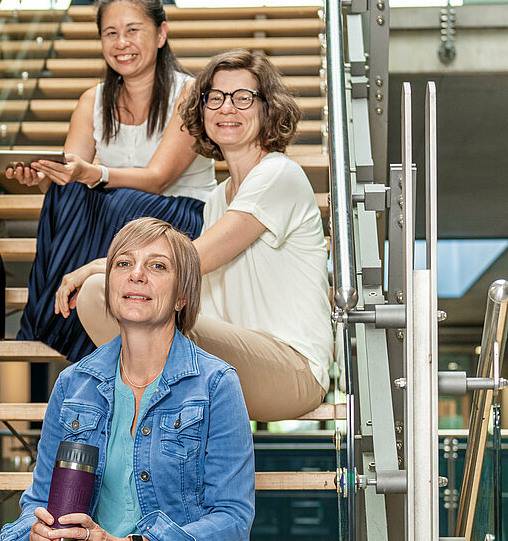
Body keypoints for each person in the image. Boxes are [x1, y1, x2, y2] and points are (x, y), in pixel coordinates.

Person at [59, 49, 333, 422]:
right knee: (108, 300)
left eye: (243, 98)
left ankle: (139, 411)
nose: (227, 108)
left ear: (268, 109)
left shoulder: (278, 174)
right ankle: (149, 413)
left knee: (100, 290)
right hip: (229, 365)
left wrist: (94, 267)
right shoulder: (217, 199)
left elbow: (191, 260)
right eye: (215, 98)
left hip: (292, 371)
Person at [0, 218, 256, 541]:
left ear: (182, 295)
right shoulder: (74, 384)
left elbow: (232, 519)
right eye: (123, 264)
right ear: (110, 287)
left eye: (157, 266)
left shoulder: (216, 383)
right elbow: (36, 500)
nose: (136, 275)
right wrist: (34, 534)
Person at [7, 0, 215, 364]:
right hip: (119, 216)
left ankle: (58, 325)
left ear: (161, 34)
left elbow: (157, 179)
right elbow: (73, 178)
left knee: (116, 201)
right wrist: (42, 178)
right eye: (111, 33)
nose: (122, 42)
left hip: (180, 216)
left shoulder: (189, 94)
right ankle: (62, 318)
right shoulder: (92, 101)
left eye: (133, 30)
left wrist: (94, 174)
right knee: (67, 194)